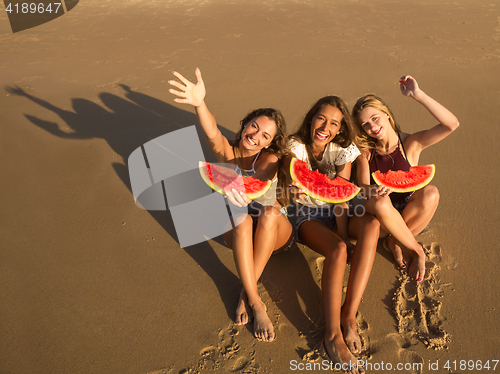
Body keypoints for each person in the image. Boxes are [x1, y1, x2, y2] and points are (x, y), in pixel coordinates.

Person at [169, 68, 293, 342]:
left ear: (271, 144)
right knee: (241, 218)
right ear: (245, 123)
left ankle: (244, 293)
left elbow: (259, 181)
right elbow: (213, 132)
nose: (256, 136)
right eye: (254, 127)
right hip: (238, 234)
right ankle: (256, 301)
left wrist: (241, 189)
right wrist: (200, 103)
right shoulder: (227, 153)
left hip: (275, 234)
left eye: (265, 136)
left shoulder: (268, 160)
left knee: (269, 212)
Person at [287, 96, 376, 374]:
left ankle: (349, 316)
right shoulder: (295, 146)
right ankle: (333, 336)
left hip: (337, 213)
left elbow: (341, 194)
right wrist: (292, 188)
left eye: (334, 123)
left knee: (371, 226)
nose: (326, 126)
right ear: (311, 118)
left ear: (340, 129)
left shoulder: (341, 149)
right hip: (305, 216)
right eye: (321, 118)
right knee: (337, 251)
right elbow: (291, 179)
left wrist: (343, 233)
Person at [351, 75, 459, 282]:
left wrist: (418, 95)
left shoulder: (410, 143)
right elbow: (363, 187)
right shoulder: (365, 152)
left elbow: (452, 124)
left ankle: (396, 242)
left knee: (431, 192)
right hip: (380, 220)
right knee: (381, 202)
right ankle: (416, 249)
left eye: (375, 118)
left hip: (407, 214)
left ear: (386, 114)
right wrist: (373, 190)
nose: (372, 127)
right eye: (365, 125)